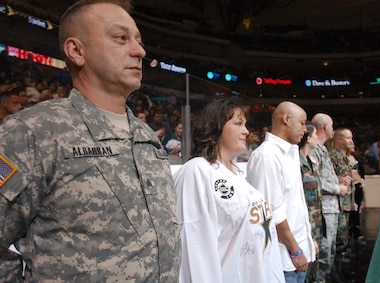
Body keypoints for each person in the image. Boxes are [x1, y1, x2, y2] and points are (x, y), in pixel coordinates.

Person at [0, 0, 179, 281]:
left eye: (139, 41)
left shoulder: (146, 137)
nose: (140, 51)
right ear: (76, 51)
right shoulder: (34, 133)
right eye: (121, 38)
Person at [174, 99, 284, 283]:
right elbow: (194, 246)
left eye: (245, 124)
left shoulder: (236, 172)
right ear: (216, 127)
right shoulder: (197, 171)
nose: (246, 131)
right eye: (238, 123)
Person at [247, 101, 316, 283]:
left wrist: (308, 242)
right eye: (302, 123)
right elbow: (271, 212)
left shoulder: (289, 153)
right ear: (286, 119)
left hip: (296, 253)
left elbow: (294, 205)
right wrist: (296, 250)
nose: (305, 129)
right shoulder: (267, 156)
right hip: (284, 259)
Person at [308, 113, 348, 282]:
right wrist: (337, 187)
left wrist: (336, 180)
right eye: (331, 126)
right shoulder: (314, 150)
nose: (332, 129)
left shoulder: (322, 149)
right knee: (323, 255)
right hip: (323, 210)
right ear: (325, 127)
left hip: (331, 209)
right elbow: (313, 180)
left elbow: (324, 176)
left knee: (330, 252)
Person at [298, 122, 324, 283]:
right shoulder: (296, 163)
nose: (317, 138)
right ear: (308, 138)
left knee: (314, 267)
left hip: (316, 222)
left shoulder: (311, 161)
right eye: (315, 135)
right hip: (305, 224)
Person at [329, 128, 355, 279]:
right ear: (338, 140)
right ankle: (335, 273)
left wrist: (352, 203)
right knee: (338, 241)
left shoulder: (344, 158)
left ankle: (340, 269)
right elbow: (332, 181)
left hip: (345, 206)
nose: (351, 141)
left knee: (343, 239)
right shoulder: (333, 157)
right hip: (337, 207)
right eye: (347, 138)